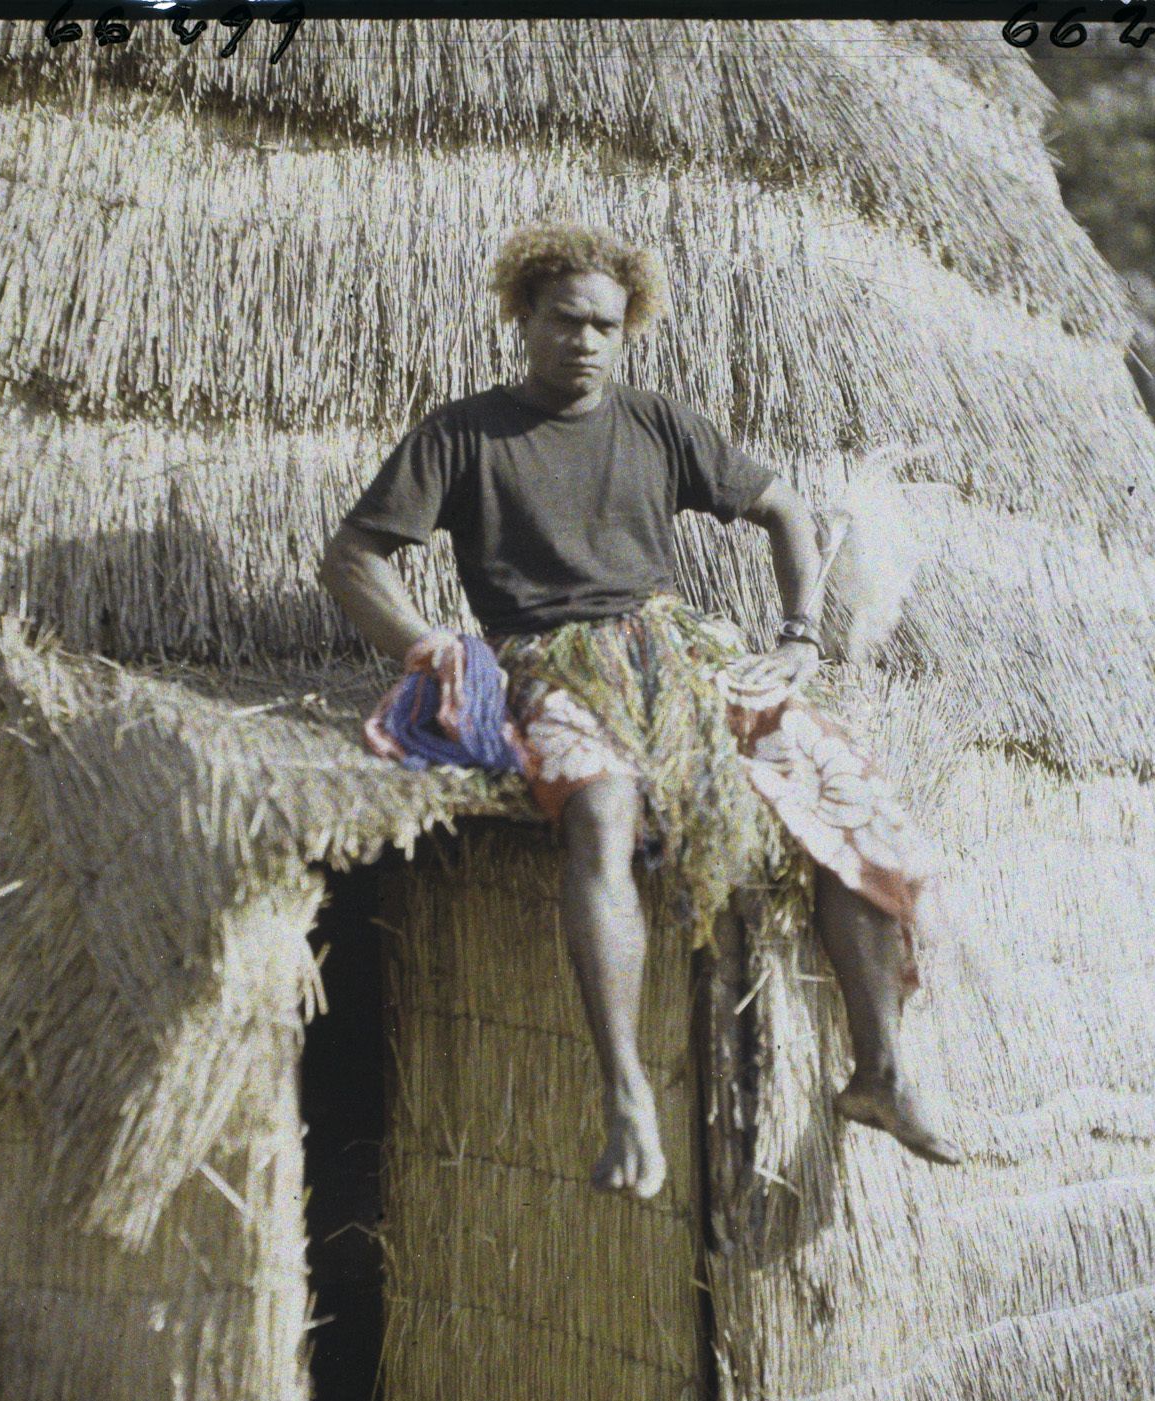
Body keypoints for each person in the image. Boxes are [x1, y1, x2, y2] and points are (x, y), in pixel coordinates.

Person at [320, 222, 958, 1199]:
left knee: (847, 800)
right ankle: (624, 1095)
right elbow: (353, 556)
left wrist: (798, 630)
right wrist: (426, 645)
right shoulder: (461, 435)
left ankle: (879, 1070)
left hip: (678, 658)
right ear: (523, 316)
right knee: (600, 807)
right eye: (566, 320)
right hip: (552, 665)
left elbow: (785, 508)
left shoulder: (659, 423)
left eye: (606, 327)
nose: (585, 341)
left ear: (628, 332)